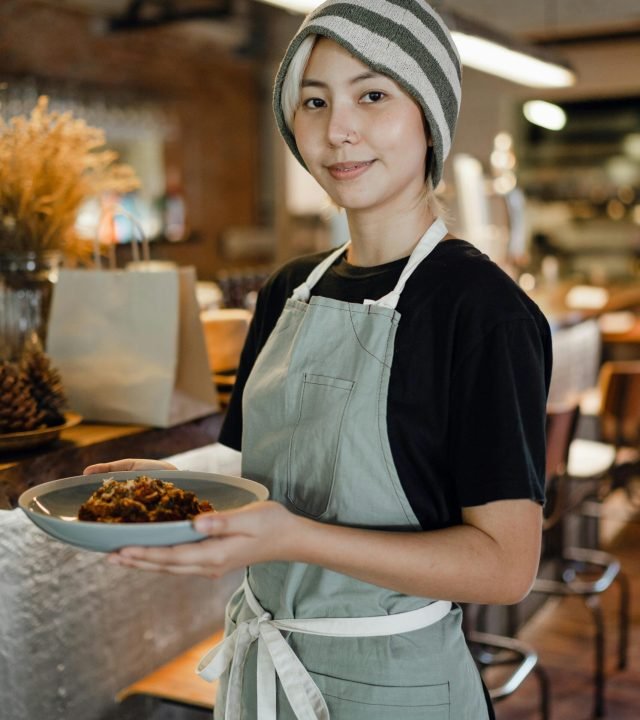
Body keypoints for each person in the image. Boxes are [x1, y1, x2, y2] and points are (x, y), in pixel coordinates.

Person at [86, 2, 552, 718]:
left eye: (372, 95)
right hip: (267, 674)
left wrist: (294, 536)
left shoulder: (482, 311)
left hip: (399, 686)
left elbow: (505, 567)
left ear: (429, 117)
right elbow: (257, 474)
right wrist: (168, 483)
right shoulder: (286, 291)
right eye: (314, 101)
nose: (338, 130)